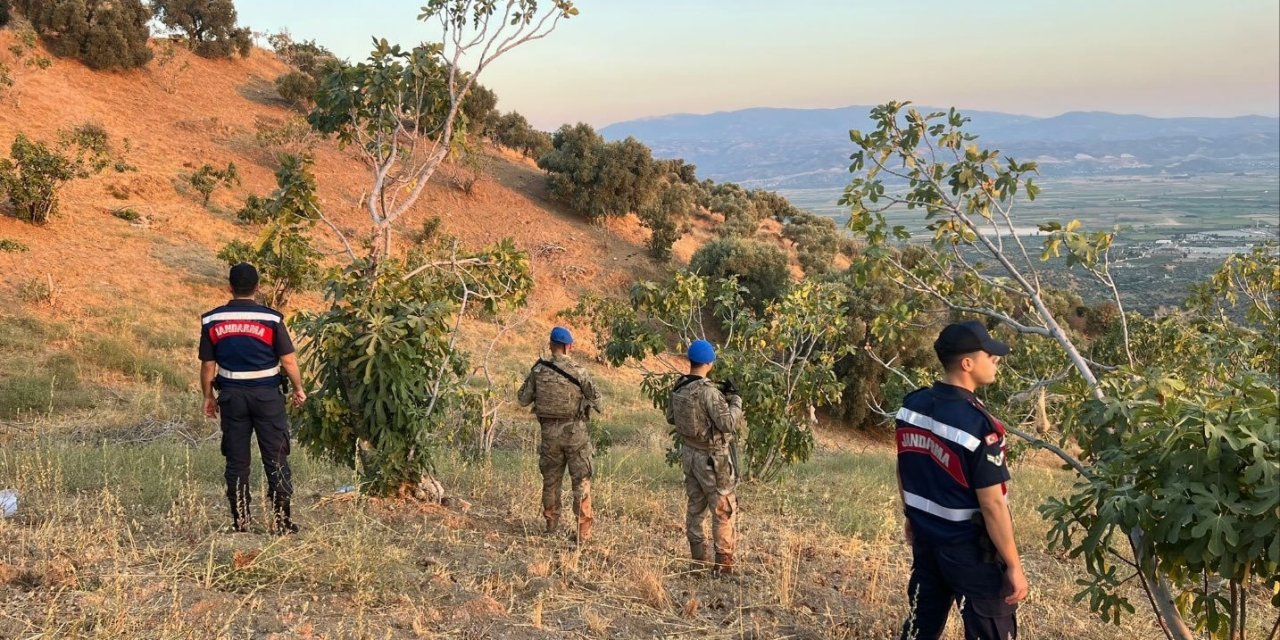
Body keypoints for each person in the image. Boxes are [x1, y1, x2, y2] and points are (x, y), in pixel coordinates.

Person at [896, 320, 1028, 640]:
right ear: (967, 364)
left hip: (926, 541)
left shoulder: (912, 406)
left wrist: (912, 516)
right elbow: (993, 504)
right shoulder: (979, 426)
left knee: (919, 628)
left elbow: (904, 467)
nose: (996, 361)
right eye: (989, 355)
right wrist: (1013, 565)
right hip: (971, 552)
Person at [199, 263, 306, 534]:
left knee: (237, 460)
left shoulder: (211, 320)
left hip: (232, 397)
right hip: (267, 397)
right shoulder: (272, 319)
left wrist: (208, 396)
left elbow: (208, 365)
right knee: (276, 457)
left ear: (229, 287)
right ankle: (282, 522)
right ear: (257, 287)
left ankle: (241, 522)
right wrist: (298, 388)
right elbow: (288, 361)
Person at [517, 326, 603, 542]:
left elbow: (523, 399)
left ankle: (551, 526)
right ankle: (583, 533)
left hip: (549, 434)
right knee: (581, 481)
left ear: (550, 345)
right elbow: (599, 402)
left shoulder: (538, 370)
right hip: (575, 434)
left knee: (551, 481)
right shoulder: (579, 371)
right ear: (569, 346)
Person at [665, 339, 743, 574]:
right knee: (723, 509)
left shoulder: (680, 386)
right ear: (709, 363)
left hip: (690, 455)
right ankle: (723, 565)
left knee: (695, 508)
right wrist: (736, 401)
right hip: (713, 460)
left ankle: (698, 561)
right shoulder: (709, 392)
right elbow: (728, 423)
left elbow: (671, 417)